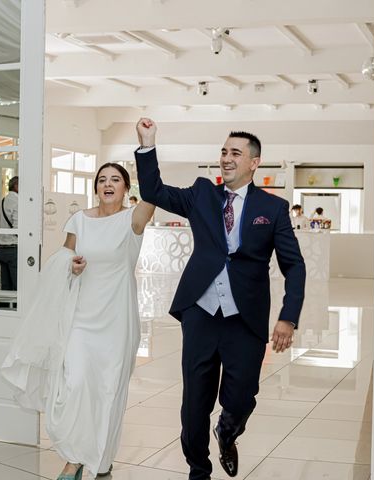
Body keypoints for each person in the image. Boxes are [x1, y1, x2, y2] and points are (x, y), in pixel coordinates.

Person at [134, 118, 305, 480]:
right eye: (224, 151)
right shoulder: (201, 194)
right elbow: (153, 189)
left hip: (246, 319)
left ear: (254, 162)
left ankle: (227, 432)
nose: (226, 158)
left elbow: (295, 265)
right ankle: (199, 469)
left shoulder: (272, 209)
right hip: (201, 314)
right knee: (194, 404)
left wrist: (288, 317)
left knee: (241, 397)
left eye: (235, 153)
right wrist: (147, 144)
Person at [1, 163, 155, 480]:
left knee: (108, 393)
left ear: (127, 188)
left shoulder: (133, 220)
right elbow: (63, 260)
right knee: (74, 384)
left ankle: (97, 457)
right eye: (102, 180)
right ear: (95, 187)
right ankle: (75, 457)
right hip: (81, 319)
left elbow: (153, 194)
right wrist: (72, 266)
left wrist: (147, 146)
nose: (108, 184)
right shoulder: (79, 220)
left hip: (117, 322)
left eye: (115, 180)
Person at [0, 176, 19, 290]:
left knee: (5, 287)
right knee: (18, 288)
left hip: (0, 249)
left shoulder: (1, 201)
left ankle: (4, 308)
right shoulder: (17, 201)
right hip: (13, 249)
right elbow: (17, 227)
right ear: (16, 186)